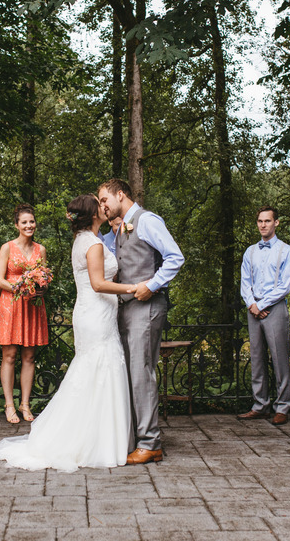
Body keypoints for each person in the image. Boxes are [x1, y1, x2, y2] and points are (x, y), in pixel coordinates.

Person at [0, 195, 136, 472]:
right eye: (99, 204)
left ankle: (96, 435)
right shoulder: (92, 244)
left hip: (93, 312)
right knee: (99, 367)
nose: (104, 207)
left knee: (93, 370)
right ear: (92, 214)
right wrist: (133, 287)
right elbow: (98, 283)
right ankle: (97, 440)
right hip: (95, 313)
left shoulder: (84, 239)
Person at [98, 178, 184, 465]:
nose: (102, 206)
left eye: (104, 200)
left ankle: (150, 444)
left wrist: (153, 284)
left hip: (146, 307)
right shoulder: (122, 226)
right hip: (128, 308)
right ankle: (138, 437)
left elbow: (175, 257)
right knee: (132, 374)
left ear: (120, 195)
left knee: (141, 373)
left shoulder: (147, 221)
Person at [237, 206, 290, 425]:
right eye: (260, 221)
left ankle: (282, 406)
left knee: (279, 358)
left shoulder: (286, 250)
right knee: (257, 358)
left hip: (275, 308)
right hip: (254, 309)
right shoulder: (250, 251)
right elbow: (245, 281)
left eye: (267, 221)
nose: (263, 225)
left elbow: (285, 285)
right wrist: (252, 304)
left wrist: (262, 304)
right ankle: (260, 405)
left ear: (276, 223)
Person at [0, 204, 49, 424]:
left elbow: (44, 276)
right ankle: (9, 405)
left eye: (32, 221)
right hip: (11, 304)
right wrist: (19, 288)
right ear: (16, 225)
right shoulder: (7, 247)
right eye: (24, 222)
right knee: (9, 356)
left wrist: (42, 288)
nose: (29, 225)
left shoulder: (41, 249)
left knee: (29, 357)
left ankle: (25, 404)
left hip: (33, 306)